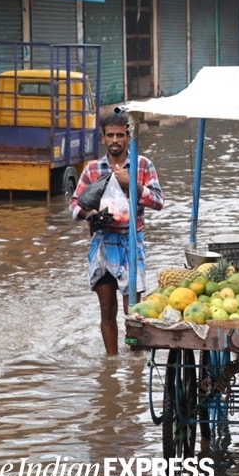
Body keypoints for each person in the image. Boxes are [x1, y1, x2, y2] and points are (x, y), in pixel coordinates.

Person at [69, 113, 164, 356]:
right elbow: (74, 206)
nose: (115, 140)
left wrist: (133, 184)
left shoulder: (142, 165)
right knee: (107, 309)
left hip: (132, 242)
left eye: (120, 135)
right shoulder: (92, 169)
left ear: (128, 137)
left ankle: (135, 362)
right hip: (102, 244)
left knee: (134, 311)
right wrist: (91, 216)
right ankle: (111, 363)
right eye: (110, 135)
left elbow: (158, 201)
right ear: (102, 138)